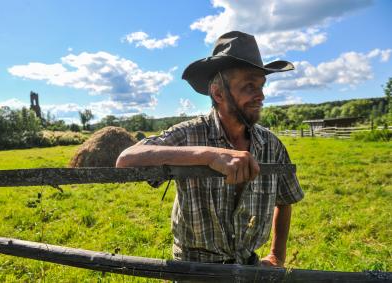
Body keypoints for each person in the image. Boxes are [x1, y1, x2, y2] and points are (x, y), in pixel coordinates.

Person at [116, 31, 304, 267]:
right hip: (194, 269)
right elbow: (126, 159)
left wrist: (277, 255)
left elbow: (285, 199)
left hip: (248, 267)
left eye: (261, 86)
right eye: (249, 86)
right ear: (218, 93)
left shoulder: (271, 145)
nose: (261, 96)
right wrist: (209, 155)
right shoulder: (189, 134)